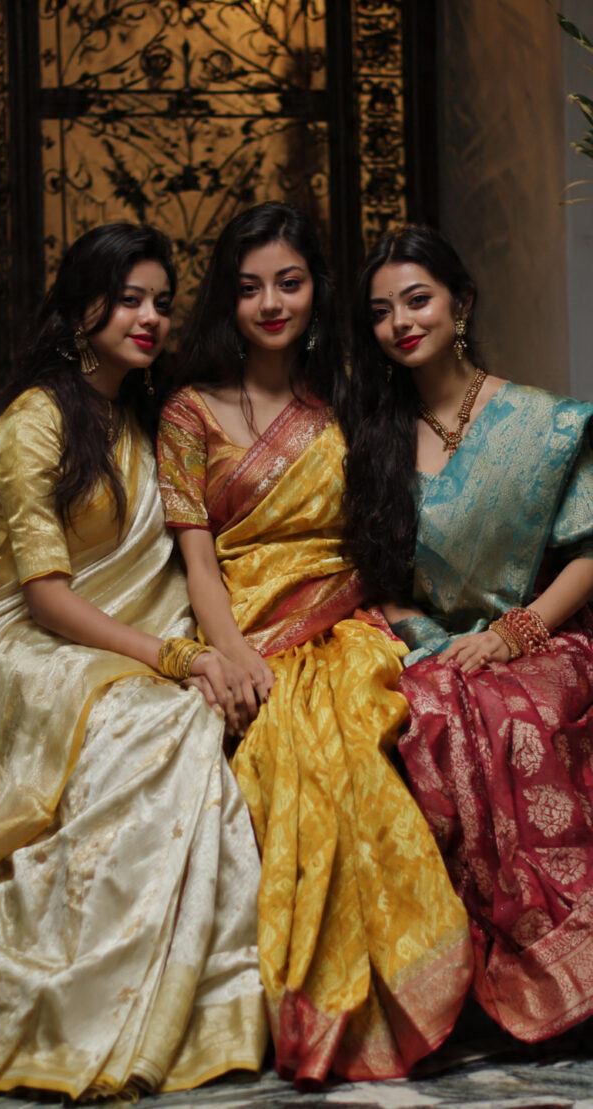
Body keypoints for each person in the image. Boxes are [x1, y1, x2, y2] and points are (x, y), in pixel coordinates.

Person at [156, 202, 472, 1088]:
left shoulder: (348, 392)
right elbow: (199, 562)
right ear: (227, 294)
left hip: (342, 616)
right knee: (284, 744)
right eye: (251, 285)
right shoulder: (188, 410)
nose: (270, 302)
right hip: (242, 619)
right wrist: (239, 653)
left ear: (314, 289)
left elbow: (384, 517)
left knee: (346, 746)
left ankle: (388, 998)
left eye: (289, 282)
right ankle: (313, 1003)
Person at [0, 222, 267, 1098]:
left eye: (161, 303)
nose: (149, 318)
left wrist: (219, 650)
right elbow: (47, 596)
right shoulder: (34, 419)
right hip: (30, 643)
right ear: (79, 308)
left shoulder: (147, 418)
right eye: (129, 299)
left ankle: (190, 1006)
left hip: (127, 640)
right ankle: (70, 991)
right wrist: (176, 655)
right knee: (165, 721)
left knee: (202, 719)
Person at [342, 223, 593, 1043]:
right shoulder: (370, 438)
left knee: (511, 712)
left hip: (538, 633)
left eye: (418, 300)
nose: (401, 322)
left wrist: (516, 633)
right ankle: (468, 985)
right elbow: (375, 578)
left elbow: (589, 553)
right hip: (425, 643)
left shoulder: (541, 424)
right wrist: (424, 638)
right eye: (382, 311)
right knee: (426, 711)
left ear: (461, 305)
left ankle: (560, 966)